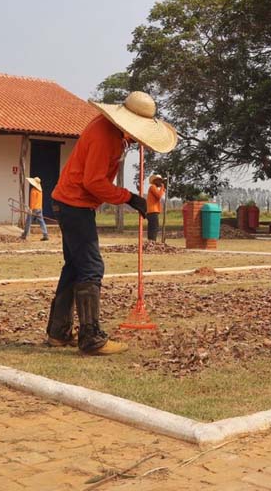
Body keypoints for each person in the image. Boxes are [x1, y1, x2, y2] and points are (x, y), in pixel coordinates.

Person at [45, 91, 177, 355]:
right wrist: (129, 198)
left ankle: (58, 332)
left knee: (75, 267)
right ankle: (91, 338)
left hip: (70, 202)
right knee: (92, 267)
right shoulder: (106, 136)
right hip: (75, 204)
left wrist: (128, 197)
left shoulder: (108, 130)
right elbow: (93, 182)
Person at [21, 177, 50, 241]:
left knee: (28, 221)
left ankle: (25, 235)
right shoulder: (40, 191)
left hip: (34, 208)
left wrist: (30, 209)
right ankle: (45, 235)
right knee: (41, 221)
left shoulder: (33, 190)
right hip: (39, 208)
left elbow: (32, 201)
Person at [146, 174, 166, 242]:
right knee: (154, 227)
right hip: (152, 211)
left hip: (153, 211)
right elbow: (159, 196)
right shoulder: (152, 187)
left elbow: (159, 195)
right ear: (155, 181)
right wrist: (162, 187)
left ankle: (151, 241)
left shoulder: (154, 188)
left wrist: (162, 189)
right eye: (159, 181)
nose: (160, 183)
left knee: (154, 226)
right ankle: (152, 241)